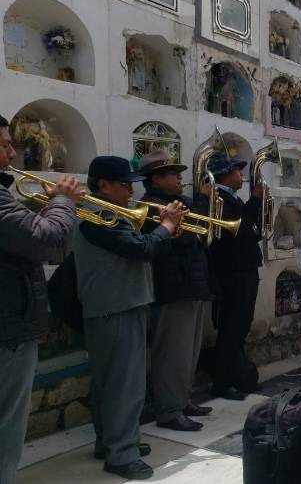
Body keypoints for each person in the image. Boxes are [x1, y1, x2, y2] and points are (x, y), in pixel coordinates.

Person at [73, 156, 184, 480]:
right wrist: (165, 226)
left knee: (111, 383)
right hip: (117, 306)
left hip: (115, 305)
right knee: (125, 384)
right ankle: (121, 454)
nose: (130, 191)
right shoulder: (99, 215)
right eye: (125, 185)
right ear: (103, 185)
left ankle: (111, 441)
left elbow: (139, 246)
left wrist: (165, 231)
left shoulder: (105, 213)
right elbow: (141, 249)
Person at [0, 115, 81, 484]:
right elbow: (47, 242)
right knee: (6, 430)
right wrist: (64, 201)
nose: (12, 152)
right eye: (3, 145)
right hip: (7, 333)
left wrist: (50, 210)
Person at [138, 150, 213, 432]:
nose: (180, 178)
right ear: (156, 179)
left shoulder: (179, 204)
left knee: (189, 350)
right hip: (171, 287)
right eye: (173, 174)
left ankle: (182, 399)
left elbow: (201, 237)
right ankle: (169, 409)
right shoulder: (150, 207)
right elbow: (176, 243)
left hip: (191, 285)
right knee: (172, 353)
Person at [206, 154, 264, 401]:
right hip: (232, 272)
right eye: (236, 171)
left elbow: (248, 231)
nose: (241, 175)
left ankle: (237, 376)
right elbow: (235, 231)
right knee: (230, 329)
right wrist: (254, 202)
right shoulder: (217, 198)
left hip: (244, 269)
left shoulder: (231, 197)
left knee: (240, 327)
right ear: (223, 175)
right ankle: (222, 382)